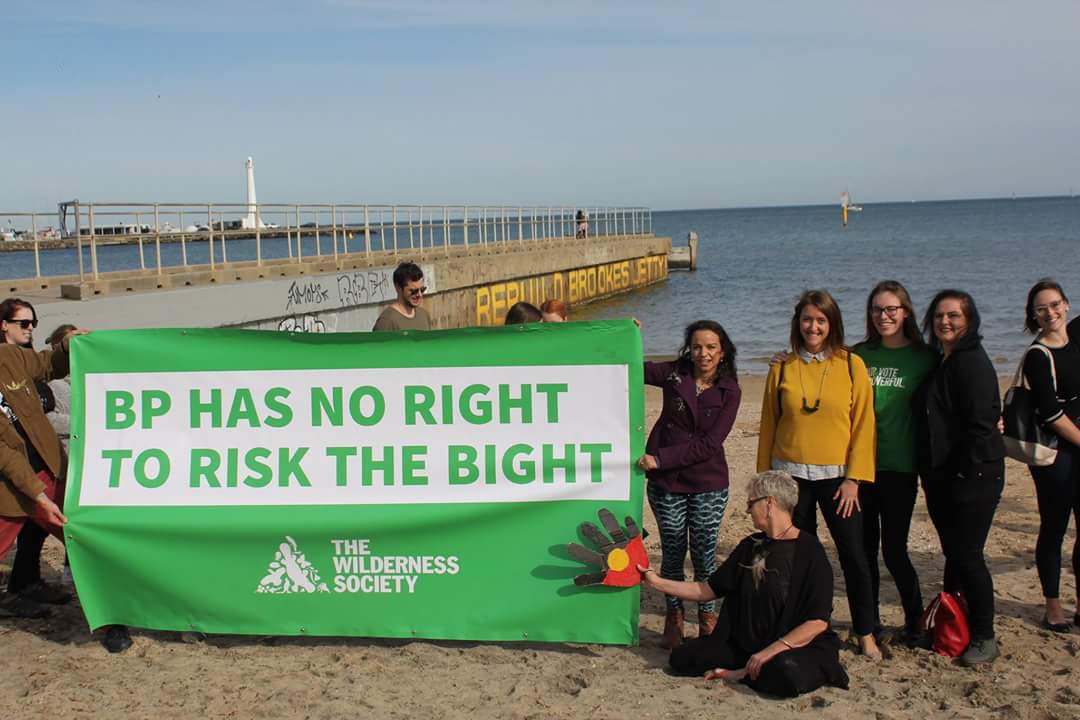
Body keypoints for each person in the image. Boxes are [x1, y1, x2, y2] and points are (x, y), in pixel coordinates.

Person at [639, 471, 849, 698]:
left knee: (786, 672)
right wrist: (656, 581)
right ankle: (745, 669)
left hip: (791, 646)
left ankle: (740, 673)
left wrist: (770, 651)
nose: (747, 510)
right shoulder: (750, 546)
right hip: (745, 645)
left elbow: (817, 622)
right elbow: (706, 590)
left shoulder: (810, 551)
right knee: (683, 658)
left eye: (751, 503)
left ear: (770, 503)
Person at [757, 289, 881, 659]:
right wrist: (765, 482)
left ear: (832, 324)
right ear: (798, 323)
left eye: (821, 320)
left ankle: (866, 632)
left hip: (838, 479)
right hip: (790, 479)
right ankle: (803, 626)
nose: (813, 326)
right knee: (798, 558)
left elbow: (864, 425)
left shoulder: (850, 364)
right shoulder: (782, 366)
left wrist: (854, 478)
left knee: (854, 556)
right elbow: (769, 423)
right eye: (807, 319)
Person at [637, 320, 740, 649]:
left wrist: (661, 458)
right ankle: (674, 617)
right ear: (689, 349)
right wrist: (631, 333)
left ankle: (708, 620)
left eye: (711, 347)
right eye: (697, 346)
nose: (703, 353)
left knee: (705, 555)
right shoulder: (674, 375)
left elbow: (710, 444)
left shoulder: (730, 390)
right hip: (667, 484)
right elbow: (631, 368)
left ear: (722, 352)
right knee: (672, 552)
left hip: (708, 481)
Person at [917, 289, 1005, 666]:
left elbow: (983, 425)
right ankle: (954, 624)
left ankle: (985, 636)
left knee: (969, 556)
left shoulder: (970, 362)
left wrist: (968, 477)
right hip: (942, 476)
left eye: (953, 315)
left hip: (974, 476)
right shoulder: (943, 359)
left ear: (969, 320)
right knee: (954, 555)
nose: (945, 322)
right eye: (938, 316)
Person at [851, 281, 938, 643]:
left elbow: (957, 390)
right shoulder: (857, 355)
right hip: (860, 467)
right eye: (877, 310)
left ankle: (915, 619)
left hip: (901, 466)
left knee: (895, 550)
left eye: (891, 309)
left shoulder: (926, 357)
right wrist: (784, 359)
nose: (883, 316)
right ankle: (869, 624)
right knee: (864, 549)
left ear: (905, 312)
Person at [0, 303, 72, 619]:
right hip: (11, 479)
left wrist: (67, 346)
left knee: (60, 528)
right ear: (4, 325)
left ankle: (25, 584)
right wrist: (36, 494)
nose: (30, 328)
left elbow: (47, 365)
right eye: (23, 322)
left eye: (33, 322)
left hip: (44, 464)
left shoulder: (11, 356)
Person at [1020, 279, 1080, 632]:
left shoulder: (1077, 338)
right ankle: (1053, 606)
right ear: (1033, 315)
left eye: (1055, 304)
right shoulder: (1037, 355)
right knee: (1054, 528)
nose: (1050, 312)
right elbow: (1051, 415)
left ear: (1067, 305)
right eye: (1041, 308)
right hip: (1056, 456)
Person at [372, 262, 431, 331]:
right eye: (414, 291)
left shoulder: (424, 315)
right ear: (398, 288)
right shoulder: (387, 321)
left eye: (422, 290)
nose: (419, 295)